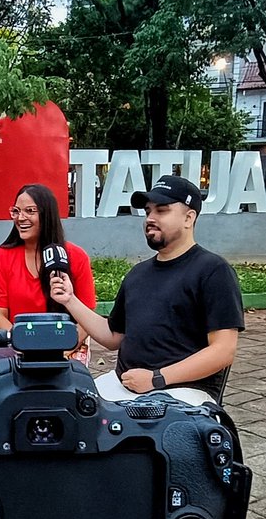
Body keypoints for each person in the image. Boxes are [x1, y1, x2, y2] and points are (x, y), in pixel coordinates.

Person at [50, 174, 243, 405]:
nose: (150, 218)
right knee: (67, 410)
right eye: (148, 211)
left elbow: (223, 351)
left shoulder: (213, 271)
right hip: (125, 387)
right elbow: (113, 336)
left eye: (161, 210)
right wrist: (69, 299)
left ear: (188, 218)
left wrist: (156, 379)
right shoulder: (138, 274)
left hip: (184, 394)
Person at [0, 183, 96, 360]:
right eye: (16, 211)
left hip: (67, 348)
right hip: (18, 348)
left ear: (47, 215)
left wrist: (62, 350)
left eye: (30, 211)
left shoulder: (77, 256)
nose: (21, 218)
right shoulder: (1, 257)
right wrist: (25, 348)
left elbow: (87, 315)